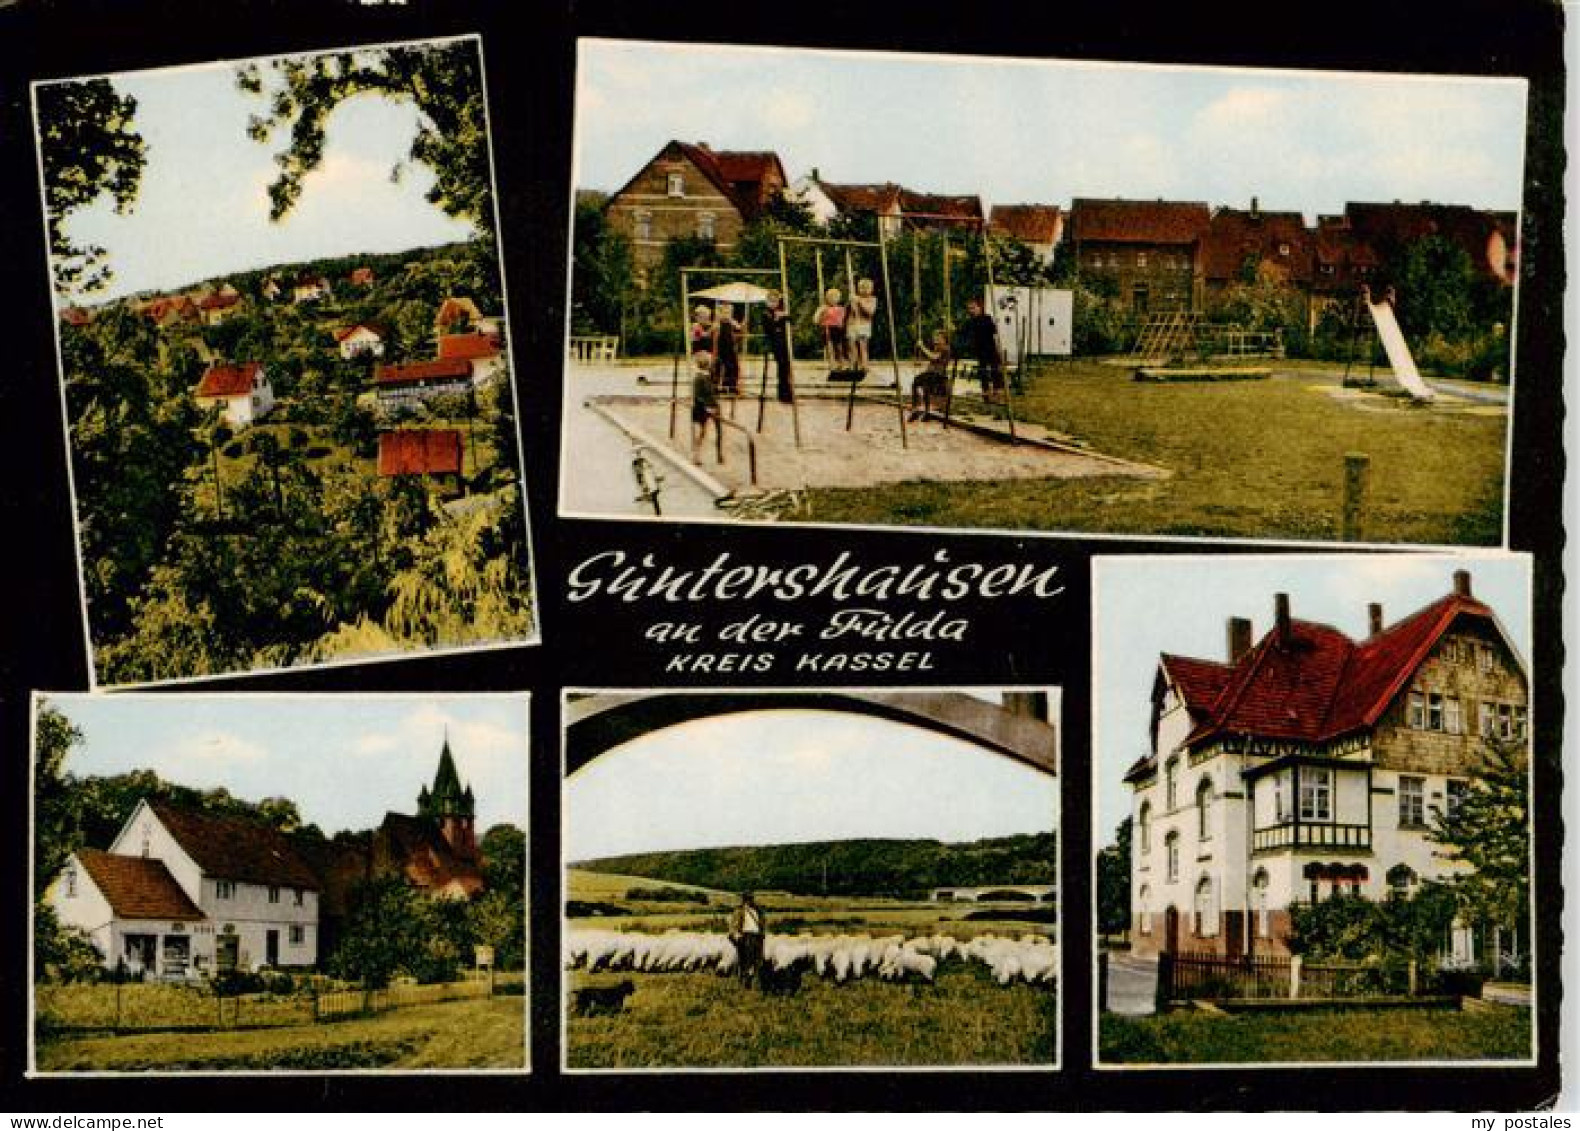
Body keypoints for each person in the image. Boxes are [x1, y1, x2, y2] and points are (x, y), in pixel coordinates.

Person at [961, 297, 1004, 401]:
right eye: (969, 309)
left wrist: (998, 348)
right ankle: (986, 392)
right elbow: (963, 333)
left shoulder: (987, 318)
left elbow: (994, 334)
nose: (971, 310)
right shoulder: (970, 322)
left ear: (979, 308)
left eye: (973, 308)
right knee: (983, 371)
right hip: (980, 349)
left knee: (995, 369)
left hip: (990, 348)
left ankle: (997, 390)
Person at [727, 891, 767, 988]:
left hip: (757, 937)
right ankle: (745, 981)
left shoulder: (758, 911)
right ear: (744, 900)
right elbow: (734, 925)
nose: (749, 900)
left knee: (757, 960)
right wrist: (735, 936)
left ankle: (752, 979)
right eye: (747, 898)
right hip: (746, 936)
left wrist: (762, 934)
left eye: (750, 898)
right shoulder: (739, 911)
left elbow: (762, 923)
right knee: (745, 960)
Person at [762, 289, 794, 403]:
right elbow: (769, 329)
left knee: (786, 369)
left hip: (783, 342)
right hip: (775, 343)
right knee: (782, 368)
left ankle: (787, 392)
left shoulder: (781, 311)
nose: (773, 303)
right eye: (771, 301)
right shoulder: (766, 313)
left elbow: (790, 319)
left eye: (776, 301)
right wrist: (777, 319)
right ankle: (783, 394)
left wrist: (783, 316)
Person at [911, 329, 951, 420]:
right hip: (931, 373)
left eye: (938, 338)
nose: (936, 340)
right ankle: (916, 408)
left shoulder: (945, 348)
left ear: (944, 339)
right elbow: (932, 358)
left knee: (925, 386)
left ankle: (926, 411)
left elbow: (934, 357)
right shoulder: (937, 348)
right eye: (935, 338)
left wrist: (922, 346)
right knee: (916, 382)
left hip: (938, 374)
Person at [689, 349, 719, 462]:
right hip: (701, 408)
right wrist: (708, 407)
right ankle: (696, 455)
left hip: (708, 407)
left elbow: (710, 393)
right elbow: (700, 395)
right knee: (701, 432)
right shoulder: (700, 378)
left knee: (704, 432)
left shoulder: (706, 376)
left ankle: (700, 454)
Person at [847, 277, 878, 371]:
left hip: (864, 325)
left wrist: (860, 302)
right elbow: (849, 311)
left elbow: (870, 312)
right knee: (851, 346)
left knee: (862, 346)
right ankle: (853, 364)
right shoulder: (855, 298)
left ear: (871, 289)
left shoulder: (872, 299)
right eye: (861, 287)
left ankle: (864, 365)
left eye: (866, 288)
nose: (864, 290)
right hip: (852, 324)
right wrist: (851, 302)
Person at [712, 300, 743, 395]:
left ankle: (731, 386)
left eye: (729, 312)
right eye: (725, 312)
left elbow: (739, 327)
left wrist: (741, 325)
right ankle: (716, 386)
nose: (727, 314)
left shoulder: (731, 321)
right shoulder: (718, 322)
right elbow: (714, 330)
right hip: (721, 346)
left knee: (733, 366)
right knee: (719, 365)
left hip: (730, 346)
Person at [814, 286, 848, 369]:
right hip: (827, 328)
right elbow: (815, 319)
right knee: (830, 347)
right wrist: (821, 315)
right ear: (827, 298)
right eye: (831, 297)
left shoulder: (841, 308)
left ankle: (841, 363)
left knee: (839, 347)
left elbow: (844, 319)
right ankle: (832, 363)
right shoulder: (823, 308)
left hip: (838, 329)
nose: (833, 299)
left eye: (835, 297)